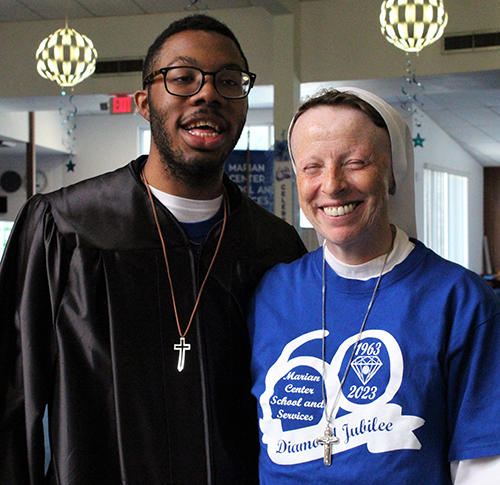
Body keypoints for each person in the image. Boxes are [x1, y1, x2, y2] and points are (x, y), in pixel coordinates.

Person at [0, 14, 306, 484]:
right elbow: (13, 398)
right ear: (144, 103)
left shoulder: (276, 248)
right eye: (183, 78)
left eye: (228, 81)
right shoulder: (64, 228)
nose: (208, 94)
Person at [248, 88, 500, 484]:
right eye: (312, 167)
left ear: (392, 173)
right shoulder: (272, 293)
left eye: (355, 162)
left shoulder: (459, 300)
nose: (332, 185)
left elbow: (483, 467)